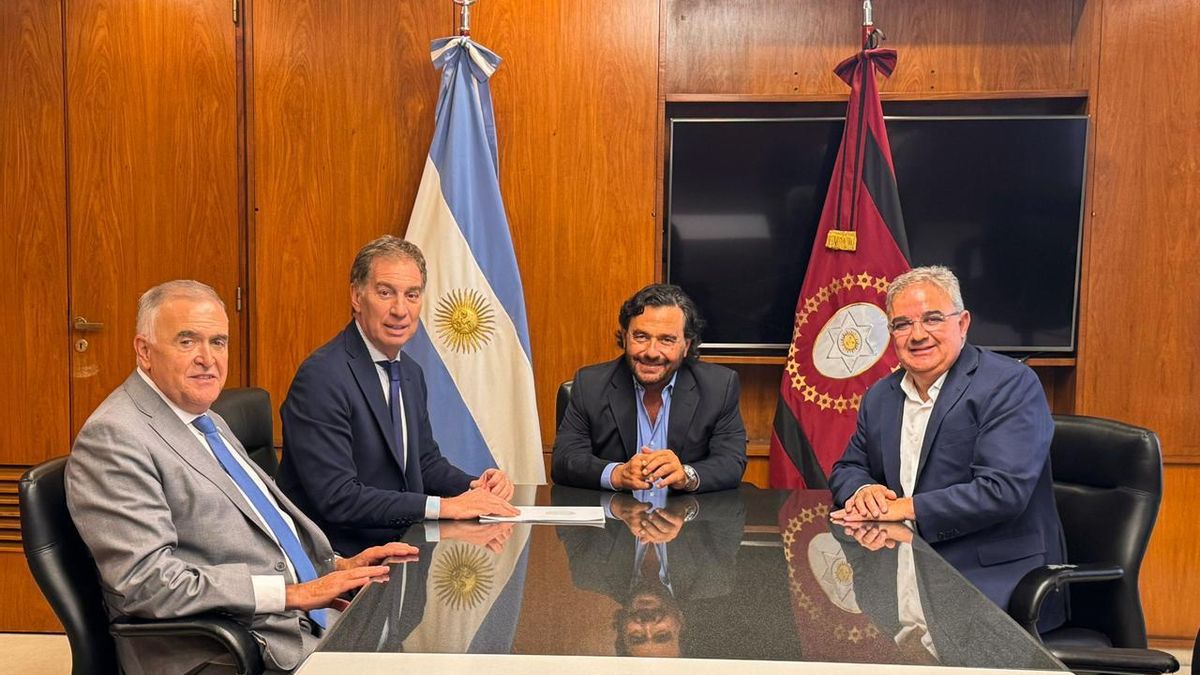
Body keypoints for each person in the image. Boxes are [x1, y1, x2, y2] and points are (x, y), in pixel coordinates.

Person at [65, 280, 415, 675]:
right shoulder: (115, 438)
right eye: (187, 341)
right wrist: (289, 595)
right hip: (226, 650)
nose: (207, 358)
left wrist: (334, 567)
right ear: (144, 351)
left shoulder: (205, 418)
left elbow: (248, 535)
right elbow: (146, 582)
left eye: (218, 342)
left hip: (289, 624)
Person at [828, 265, 1066, 630]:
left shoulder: (1010, 385)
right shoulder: (880, 396)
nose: (917, 335)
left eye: (933, 318)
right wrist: (865, 491)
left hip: (991, 583)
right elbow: (847, 468)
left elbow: (1003, 492)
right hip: (900, 569)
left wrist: (901, 508)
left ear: (963, 322)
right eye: (902, 324)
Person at [278, 236, 517, 539]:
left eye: (412, 295)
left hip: (404, 549)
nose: (400, 310)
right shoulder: (321, 378)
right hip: (345, 560)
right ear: (356, 295)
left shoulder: (409, 372)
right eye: (385, 293)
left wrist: (476, 488)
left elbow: (424, 464)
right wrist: (443, 507)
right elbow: (338, 497)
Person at [551, 283, 747, 492]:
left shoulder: (718, 386)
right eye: (641, 337)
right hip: (614, 519)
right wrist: (616, 474)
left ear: (686, 346)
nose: (651, 352)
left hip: (688, 520)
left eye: (667, 340)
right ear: (625, 338)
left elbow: (731, 461)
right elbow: (565, 460)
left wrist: (686, 475)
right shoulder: (590, 384)